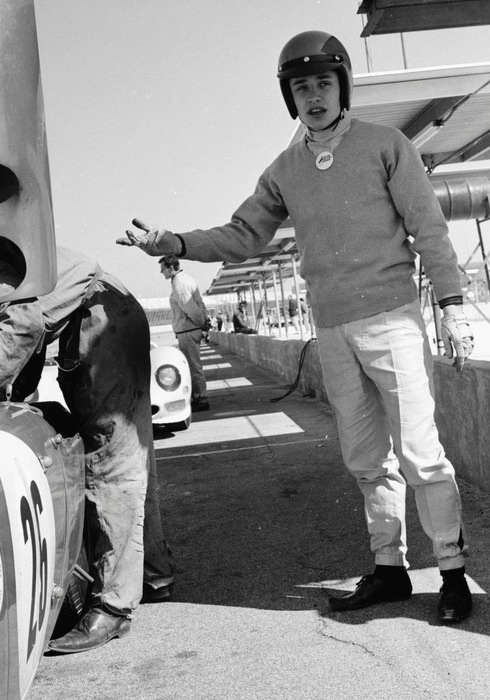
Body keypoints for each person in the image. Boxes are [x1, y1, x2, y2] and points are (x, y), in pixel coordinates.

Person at [117, 30, 475, 622]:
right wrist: (175, 241)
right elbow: (242, 235)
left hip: (392, 321)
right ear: (290, 96)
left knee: (420, 453)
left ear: (343, 87)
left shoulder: (386, 145)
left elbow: (429, 228)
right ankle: (389, 569)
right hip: (332, 330)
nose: (314, 96)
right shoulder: (283, 170)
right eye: (301, 87)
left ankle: (453, 574)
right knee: (366, 459)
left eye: (324, 83)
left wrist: (453, 305)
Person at [0, 246, 175, 653]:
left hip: (102, 323)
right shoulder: (12, 242)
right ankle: (154, 574)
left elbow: (23, 325)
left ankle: (113, 607)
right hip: (108, 315)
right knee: (130, 457)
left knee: (109, 462)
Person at [159, 254, 209, 411]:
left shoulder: (179, 283)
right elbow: (199, 304)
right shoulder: (186, 279)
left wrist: (201, 323)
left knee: (193, 366)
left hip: (188, 330)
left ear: (171, 268)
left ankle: (201, 398)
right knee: (194, 365)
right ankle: (199, 396)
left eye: (163, 269)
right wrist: (203, 324)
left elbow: (191, 309)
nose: (161, 272)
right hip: (191, 330)